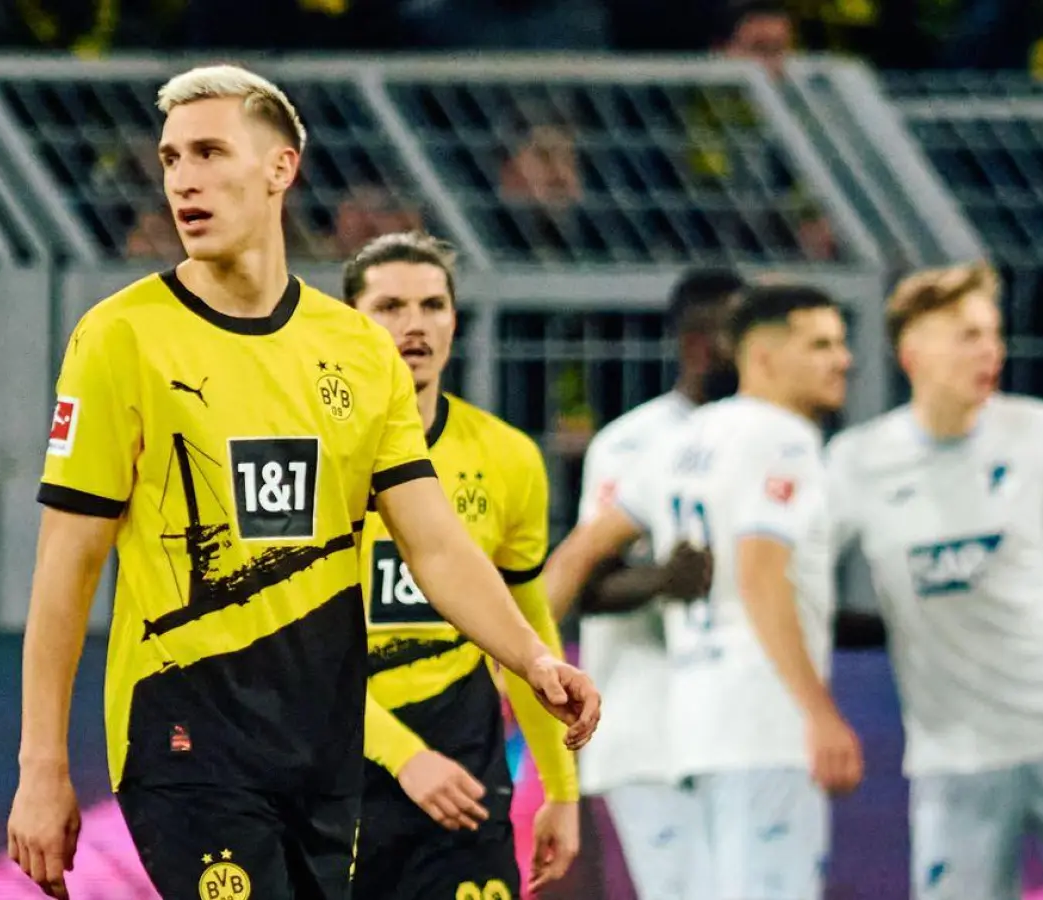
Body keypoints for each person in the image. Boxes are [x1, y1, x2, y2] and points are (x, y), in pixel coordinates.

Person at [4, 65, 600, 900]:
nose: (184, 179)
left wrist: (532, 658)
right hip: (185, 737)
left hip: (322, 748)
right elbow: (65, 567)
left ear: (280, 168)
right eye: (172, 158)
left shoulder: (357, 349)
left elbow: (435, 545)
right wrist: (43, 765)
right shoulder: (120, 339)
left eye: (210, 152)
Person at [545, 282, 862, 900]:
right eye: (821, 344)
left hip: (695, 725)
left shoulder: (684, 439)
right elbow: (760, 573)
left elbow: (576, 553)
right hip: (765, 719)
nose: (842, 359)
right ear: (764, 356)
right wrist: (819, 712)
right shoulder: (785, 438)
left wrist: (521, 659)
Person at [824, 263, 1043, 900]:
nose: (990, 351)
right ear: (912, 353)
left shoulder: (1042, 434)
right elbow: (793, 578)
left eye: (993, 334)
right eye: (967, 335)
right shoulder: (859, 462)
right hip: (954, 757)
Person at [341, 230, 581, 899]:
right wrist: (403, 757)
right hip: (334, 758)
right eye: (389, 306)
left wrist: (561, 790)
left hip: (461, 759)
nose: (414, 324)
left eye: (432, 305)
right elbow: (285, 655)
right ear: (349, 324)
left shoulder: (507, 457)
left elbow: (526, 627)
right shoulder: (315, 457)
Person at [548, 267, 740, 899]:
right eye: (741, 335)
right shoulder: (634, 442)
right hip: (646, 722)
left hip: (728, 724)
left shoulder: (757, 436)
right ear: (699, 344)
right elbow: (589, 585)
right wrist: (666, 578)